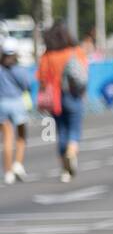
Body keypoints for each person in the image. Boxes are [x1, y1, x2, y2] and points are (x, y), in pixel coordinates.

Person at [36, 21, 88, 182]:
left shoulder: (47, 55)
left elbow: (42, 78)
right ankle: (71, 153)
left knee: (61, 132)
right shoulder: (75, 51)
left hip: (55, 99)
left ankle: (64, 170)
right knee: (74, 129)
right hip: (73, 95)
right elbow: (84, 73)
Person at [1, 38, 31, 184]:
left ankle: (7, 172)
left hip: (1, 104)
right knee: (21, 135)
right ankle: (18, 164)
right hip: (16, 102)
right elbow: (26, 85)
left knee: (7, 138)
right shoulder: (18, 69)